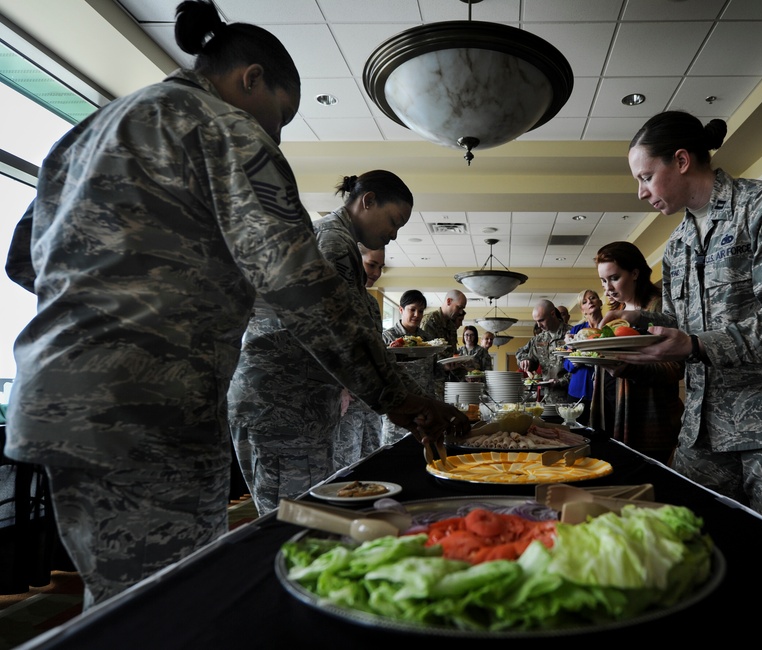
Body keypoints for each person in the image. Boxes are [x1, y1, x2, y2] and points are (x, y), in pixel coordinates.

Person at [2, 1, 465, 608]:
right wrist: (400, 397)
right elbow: (303, 289)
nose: (277, 132)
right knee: (169, 604)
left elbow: (23, 259)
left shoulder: (93, 129)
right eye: (282, 114)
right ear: (251, 79)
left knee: (121, 600)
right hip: (150, 400)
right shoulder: (225, 128)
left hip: (55, 394)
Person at [609, 110, 762, 547]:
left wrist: (695, 344)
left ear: (682, 160)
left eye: (646, 177)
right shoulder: (678, 244)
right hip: (707, 430)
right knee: (688, 547)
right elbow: (684, 327)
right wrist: (639, 321)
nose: (641, 192)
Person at [228, 170, 415, 513]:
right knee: (294, 521)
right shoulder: (333, 242)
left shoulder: (336, 240)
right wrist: (405, 402)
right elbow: (342, 336)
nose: (394, 234)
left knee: (302, 514)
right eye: (394, 221)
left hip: (293, 404)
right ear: (368, 200)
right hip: (285, 405)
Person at [589, 241, 684, 464]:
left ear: (634, 273)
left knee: (644, 488)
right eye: (603, 280)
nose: (607, 288)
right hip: (612, 410)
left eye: (614, 278)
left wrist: (627, 367)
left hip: (648, 419)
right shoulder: (617, 312)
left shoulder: (658, 308)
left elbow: (675, 367)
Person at [331, 242, 389, 471]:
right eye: (371, 265)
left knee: (373, 464)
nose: (376, 273)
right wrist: (341, 387)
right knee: (345, 468)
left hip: (371, 403)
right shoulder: (337, 297)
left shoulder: (371, 303)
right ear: (356, 260)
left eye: (380, 267)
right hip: (347, 402)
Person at [381, 289, 437, 445]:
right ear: (401, 310)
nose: (417, 315)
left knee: (423, 453)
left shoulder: (428, 339)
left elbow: (434, 371)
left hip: (424, 406)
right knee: (394, 455)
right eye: (412, 309)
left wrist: (447, 367)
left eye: (420, 311)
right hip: (399, 407)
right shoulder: (387, 337)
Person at [562, 289, 604, 426]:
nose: (590, 302)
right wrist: (578, 361)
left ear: (600, 302)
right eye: (585, 302)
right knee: (575, 430)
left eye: (593, 298)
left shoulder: (610, 327)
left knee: (601, 431)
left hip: (604, 389)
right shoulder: (575, 331)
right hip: (577, 390)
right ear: (582, 310)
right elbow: (566, 364)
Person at [516, 299, 571, 402]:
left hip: (570, 398)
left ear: (553, 314)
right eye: (536, 321)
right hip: (547, 399)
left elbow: (581, 367)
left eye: (541, 320)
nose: (538, 325)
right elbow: (528, 358)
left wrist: (560, 381)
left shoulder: (571, 334)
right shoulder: (539, 339)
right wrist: (525, 361)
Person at [420, 289, 468, 357]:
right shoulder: (430, 321)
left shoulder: (452, 324)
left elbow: (453, 351)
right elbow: (426, 351)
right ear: (449, 301)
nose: (460, 312)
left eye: (462, 309)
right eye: (459, 307)